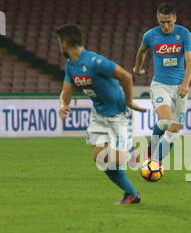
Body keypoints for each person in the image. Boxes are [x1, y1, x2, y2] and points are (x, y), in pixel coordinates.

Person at [57, 24, 146, 204]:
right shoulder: (70, 65)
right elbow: (66, 90)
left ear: (65, 43)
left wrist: (129, 101)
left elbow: (126, 76)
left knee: (119, 160)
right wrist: (64, 104)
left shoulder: (94, 61)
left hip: (119, 114)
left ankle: (132, 153)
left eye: (60, 42)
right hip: (99, 116)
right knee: (100, 159)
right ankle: (131, 194)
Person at [133, 3, 191, 162]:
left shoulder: (184, 33)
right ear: (157, 19)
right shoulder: (151, 35)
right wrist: (137, 68)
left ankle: (156, 163)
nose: (166, 26)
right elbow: (142, 51)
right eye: (162, 22)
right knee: (166, 121)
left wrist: (186, 84)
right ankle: (150, 150)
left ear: (175, 18)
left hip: (180, 87)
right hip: (160, 85)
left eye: (169, 22)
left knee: (174, 131)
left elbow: (190, 61)